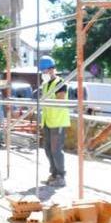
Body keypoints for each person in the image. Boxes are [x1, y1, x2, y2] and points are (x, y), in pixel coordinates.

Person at [38, 56, 69, 187]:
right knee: (48, 149)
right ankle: (54, 174)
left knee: (56, 150)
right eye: (42, 72)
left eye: (44, 71)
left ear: (51, 70)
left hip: (58, 122)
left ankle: (61, 176)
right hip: (48, 121)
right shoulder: (45, 85)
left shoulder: (60, 83)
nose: (43, 74)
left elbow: (60, 100)